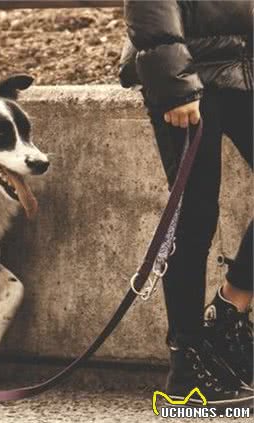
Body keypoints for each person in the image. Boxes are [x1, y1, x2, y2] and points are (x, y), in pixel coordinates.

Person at [119, 0, 253, 406]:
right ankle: (188, 363)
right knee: (195, 216)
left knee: (195, 215)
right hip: (190, 74)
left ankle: (231, 309)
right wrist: (175, 84)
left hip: (245, 66)